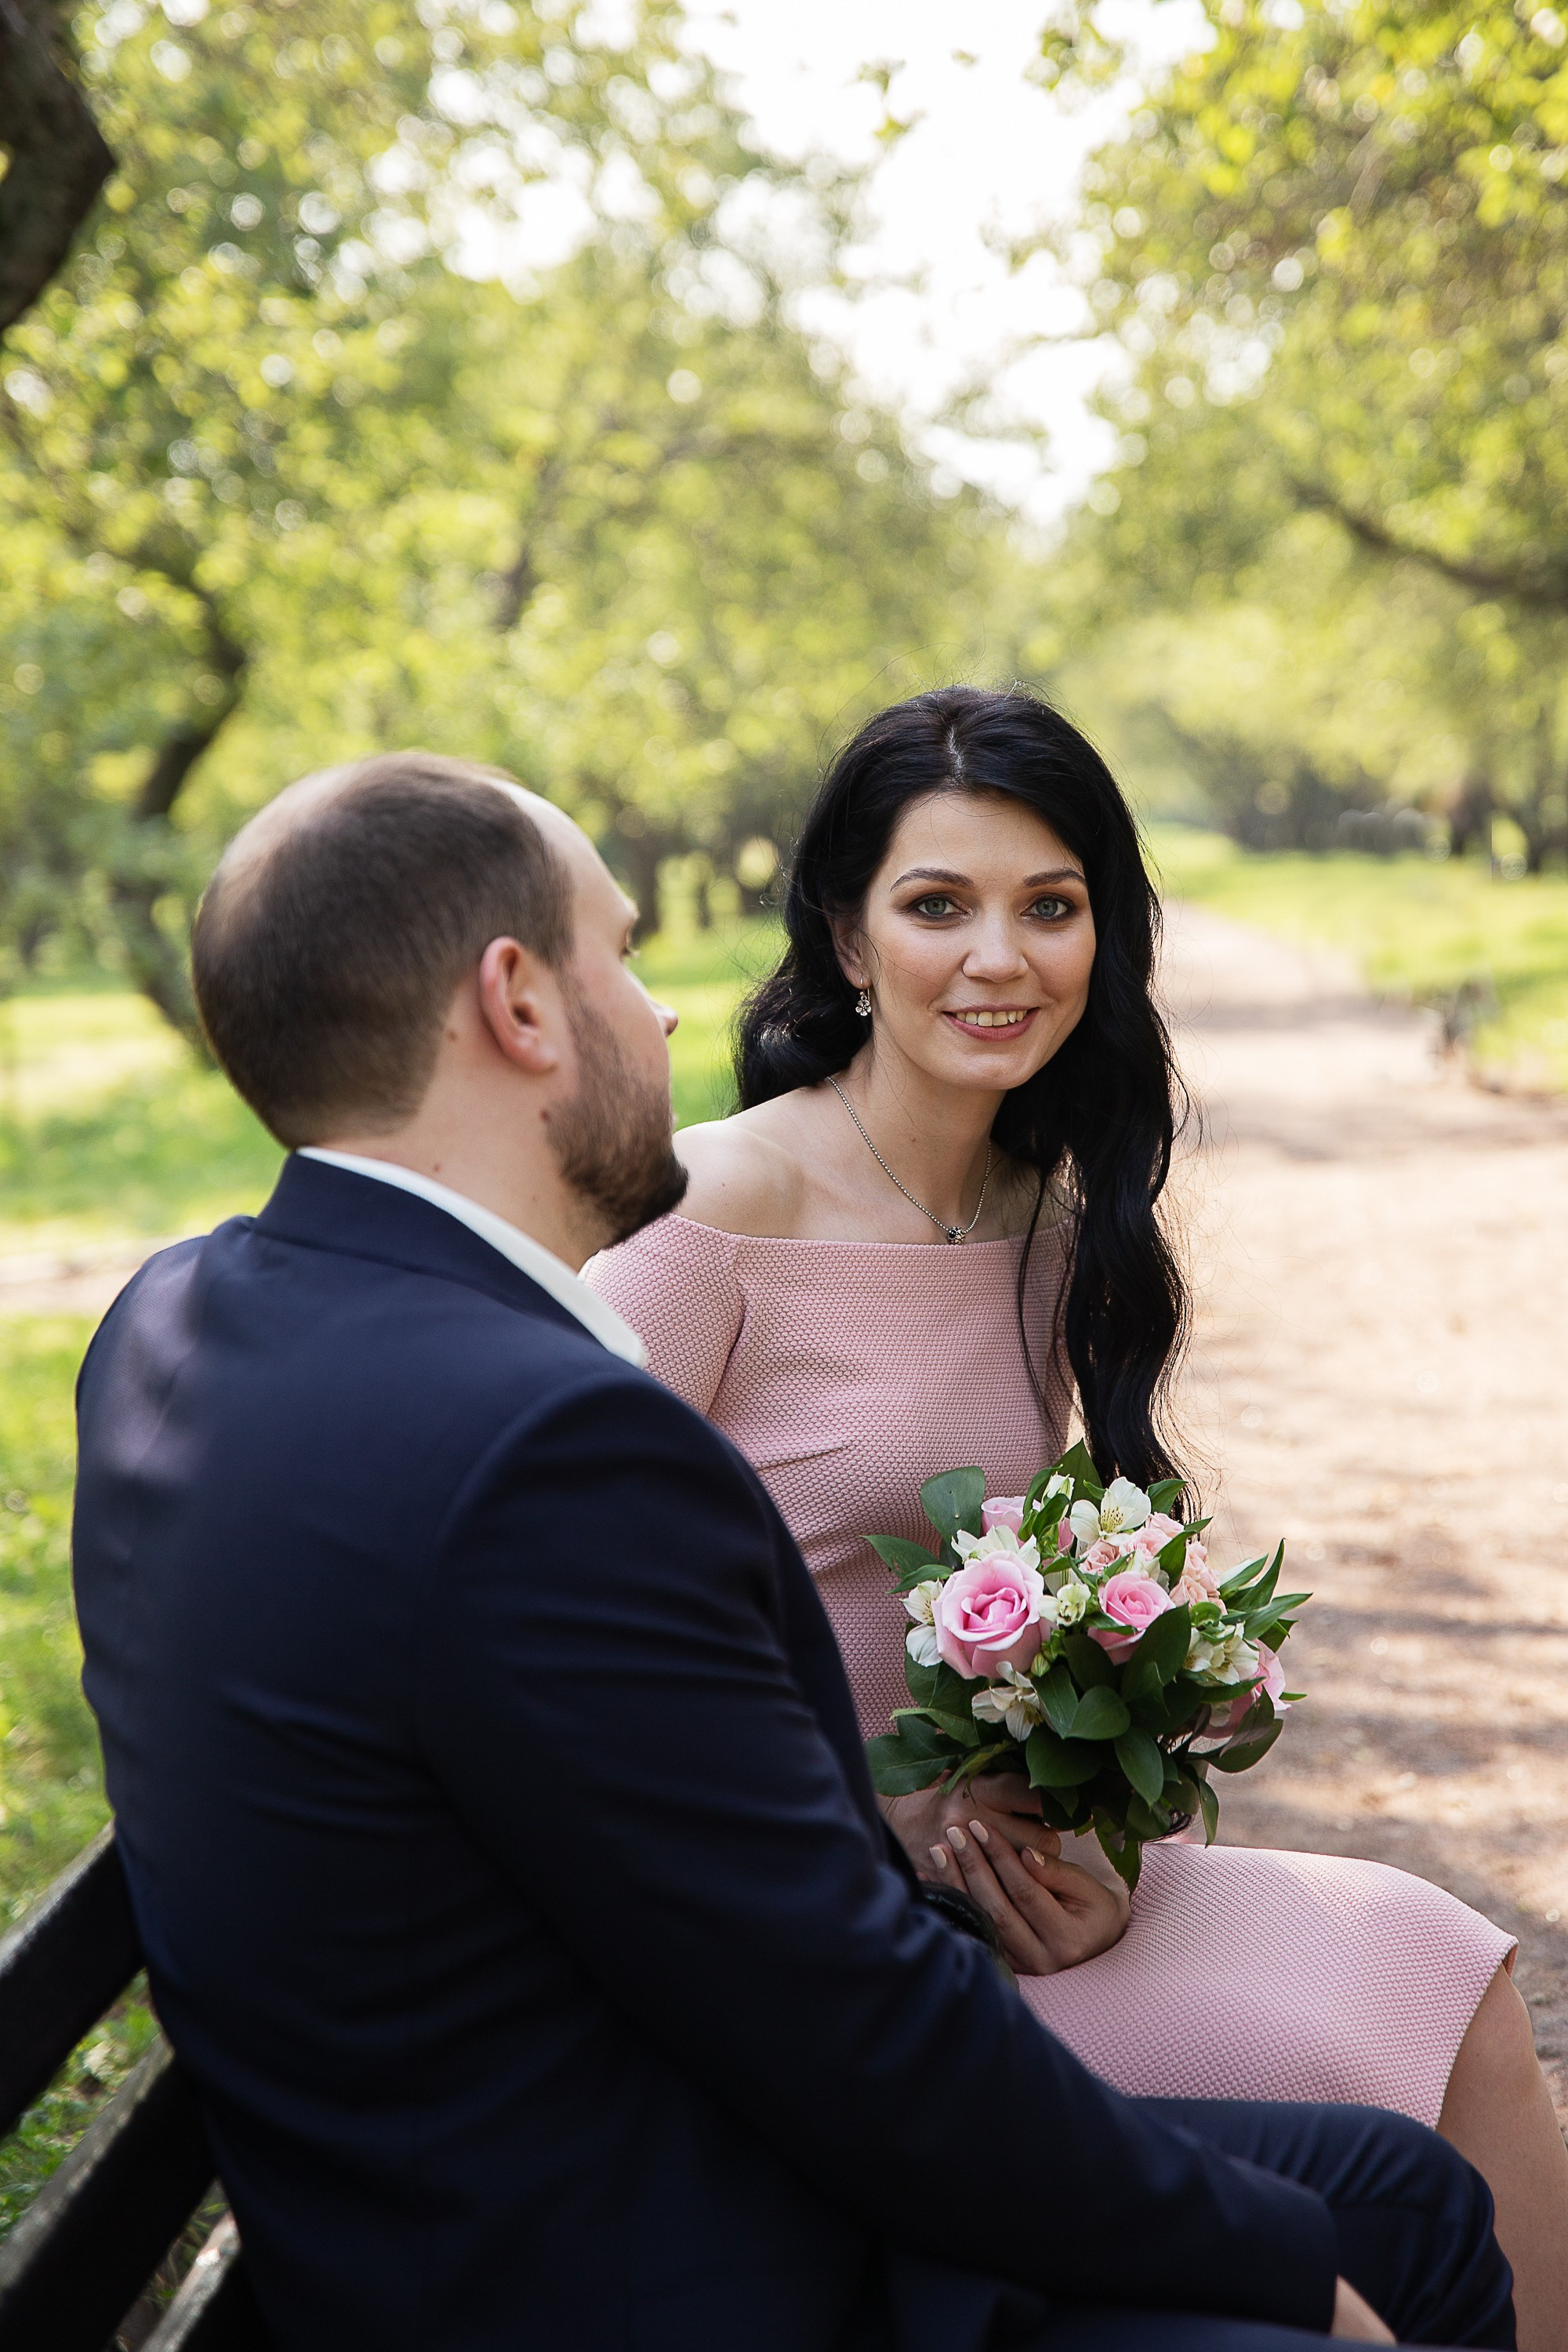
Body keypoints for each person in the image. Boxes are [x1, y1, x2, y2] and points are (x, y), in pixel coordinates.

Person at [71, 751, 1513, 2352]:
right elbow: (851, 2027)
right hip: (659, 2255)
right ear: (519, 1005)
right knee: (1369, 2250)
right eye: (620, 955)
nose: (667, 1012)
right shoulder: (553, 1444)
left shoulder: (175, 1322)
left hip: (461, 2183)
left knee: (1407, 2198)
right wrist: (1279, 2276)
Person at [586, 686, 1568, 2352]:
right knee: (1389, 2062)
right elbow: (556, 1616)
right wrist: (870, 1846)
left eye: (1051, 907)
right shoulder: (716, 1213)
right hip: (827, 1950)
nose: (999, 959)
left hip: (1013, 1899)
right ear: (844, 936)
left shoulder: (1042, 1213)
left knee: (1446, 1965)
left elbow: (1020, 1613)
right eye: (936, 906)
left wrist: (1111, 1813)